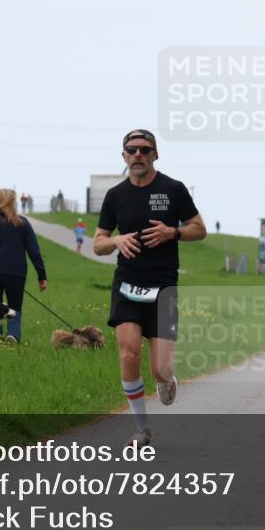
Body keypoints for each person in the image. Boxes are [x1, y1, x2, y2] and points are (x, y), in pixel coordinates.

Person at [94, 129, 206, 446]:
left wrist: (173, 232)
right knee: (128, 354)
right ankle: (141, 429)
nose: (138, 155)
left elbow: (200, 229)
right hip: (127, 283)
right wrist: (116, 240)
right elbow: (98, 243)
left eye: (145, 149)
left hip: (163, 286)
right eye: (132, 150)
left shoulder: (173, 189)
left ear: (155, 154)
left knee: (160, 368)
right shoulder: (115, 196)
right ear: (124, 156)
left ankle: (166, 379)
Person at [0, 189, 48, 344]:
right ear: (12, 203)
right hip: (16, 274)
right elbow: (34, 251)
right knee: (15, 308)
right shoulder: (22, 222)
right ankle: (13, 335)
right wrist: (42, 276)